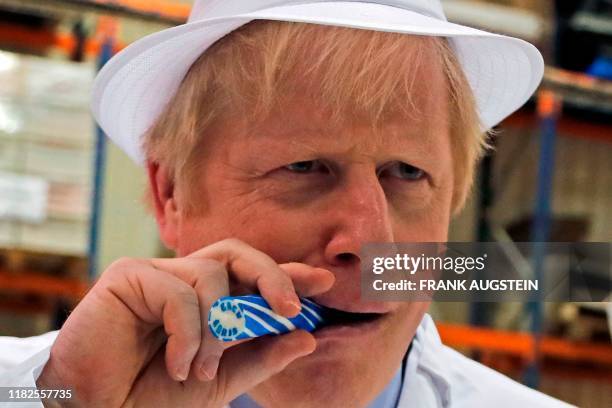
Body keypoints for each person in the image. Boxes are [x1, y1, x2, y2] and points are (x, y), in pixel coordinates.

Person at [0, 1, 571, 407]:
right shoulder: (40, 389)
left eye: (406, 173)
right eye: (302, 167)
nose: (369, 241)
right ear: (170, 193)